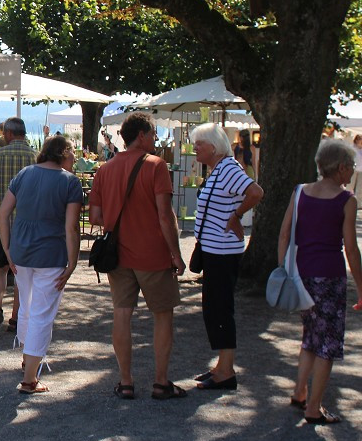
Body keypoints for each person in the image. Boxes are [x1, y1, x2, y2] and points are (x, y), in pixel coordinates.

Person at [88, 112, 187, 400]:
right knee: (163, 315)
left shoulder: (105, 170)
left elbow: (95, 216)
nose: (155, 138)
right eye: (154, 133)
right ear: (142, 135)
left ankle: (126, 381)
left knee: (122, 314)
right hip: (153, 253)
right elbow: (165, 216)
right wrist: (176, 254)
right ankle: (160, 381)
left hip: (118, 254)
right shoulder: (156, 166)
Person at [282, 139, 362, 424]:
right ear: (341, 167)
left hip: (303, 273)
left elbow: (284, 234)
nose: (352, 170)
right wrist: (361, 289)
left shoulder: (300, 192)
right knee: (327, 344)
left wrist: (285, 270)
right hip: (330, 275)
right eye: (351, 165)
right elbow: (351, 248)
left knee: (309, 336)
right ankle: (314, 407)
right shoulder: (346, 200)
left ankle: (300, 391)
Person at [0, 136, 82, 394]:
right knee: (42, 314)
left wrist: (7, 250)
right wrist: (73, 261)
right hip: (50, 254)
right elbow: (71, 227)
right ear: (64, 153)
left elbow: (3, 213)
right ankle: (29, 377)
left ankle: (28, 358)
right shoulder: (69, 182)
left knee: (26, 306)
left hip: (21, 252)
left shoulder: (24, 174)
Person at [190, 123, 264, 390]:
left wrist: (235, 216)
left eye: (199, 143)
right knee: (214, 308)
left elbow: (256, 192)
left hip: (222, 252)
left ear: (213, 146)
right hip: (215, 251)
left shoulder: (229, 169)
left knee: (220, 309)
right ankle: (222, 366)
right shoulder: (220, 170)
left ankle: (226, 370)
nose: (195, 148)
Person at [0, 117, 37, 334]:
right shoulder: (36, 157)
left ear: (9, 134)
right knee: (22, 271)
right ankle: (16, 317)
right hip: (27, 225)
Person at [351, 134, 362, 210]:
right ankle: (347, 202)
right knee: (350, 186)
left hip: (361, 170)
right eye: (360, 139)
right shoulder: (352, 148)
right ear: (356, 140)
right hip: (353, 169)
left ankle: (359, 204)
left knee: (360, 188)